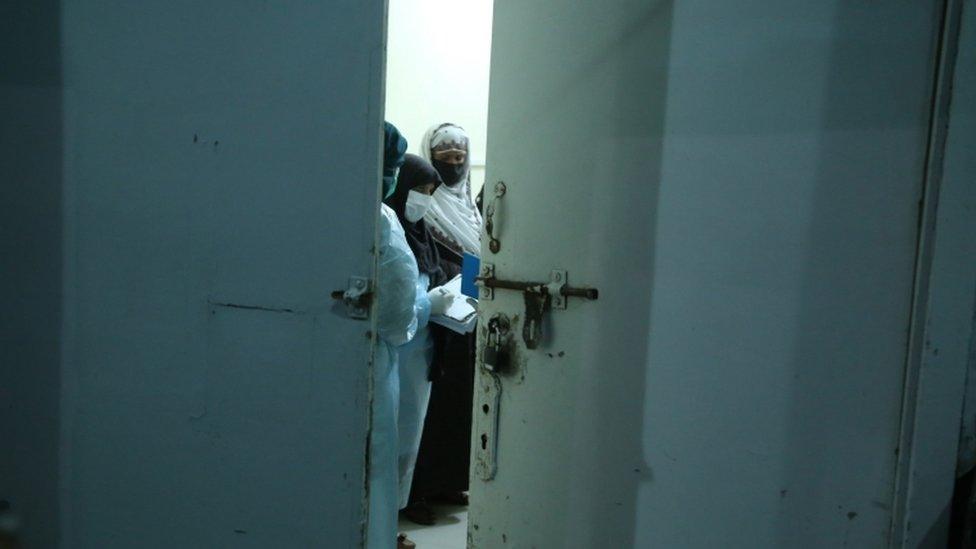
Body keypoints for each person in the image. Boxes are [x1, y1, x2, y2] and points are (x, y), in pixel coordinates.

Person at [404, 123, 481, 524]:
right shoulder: (422, 203)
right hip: (431, 324)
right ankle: (416, 492)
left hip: (463, 322)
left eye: (459, 158)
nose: (453, 165)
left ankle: (449, 481)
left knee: (459, 405)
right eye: (445, 158)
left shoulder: (468, 206)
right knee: (425, 412)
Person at [382, 155, 453, 516]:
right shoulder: (386, 230)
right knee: (387, 439)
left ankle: (395, 516)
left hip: (420, 355)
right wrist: (430, 305)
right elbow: (395, 307)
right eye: (419, 189)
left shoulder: (420, 234)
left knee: (410, 432)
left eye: (430, 192)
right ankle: (383, 524)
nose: (423, 199)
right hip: (393, 355)